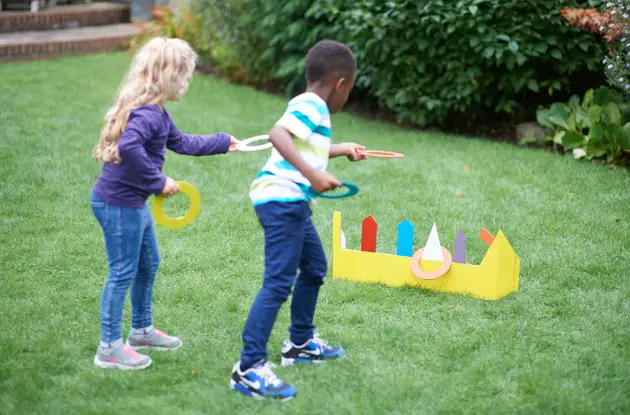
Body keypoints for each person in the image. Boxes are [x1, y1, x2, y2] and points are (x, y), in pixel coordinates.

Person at [90, 37, 238, 370]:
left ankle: (141, 331)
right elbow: (129, 147)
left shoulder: (158, 113)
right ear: (169, 76)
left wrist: (222, 142)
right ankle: (109, 347)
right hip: (118, 204)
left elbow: (181, 142)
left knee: (148, 263)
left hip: (132, 202)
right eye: (185, 76)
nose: (187, 83)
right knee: (122, 272)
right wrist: (159, 182)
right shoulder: (147, 116)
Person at [230, 39, 366, 400]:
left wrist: (343, 149)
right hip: (282, 198)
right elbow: (279, 135)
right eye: (348, 90)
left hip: (290, 199)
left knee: (315, 267)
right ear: (340, 84)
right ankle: (248, 368)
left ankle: (301, 343)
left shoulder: (312, 107)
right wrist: (314, 174)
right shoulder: (312, 104)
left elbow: (308, 146)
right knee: (278, 283)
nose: (346, 98)